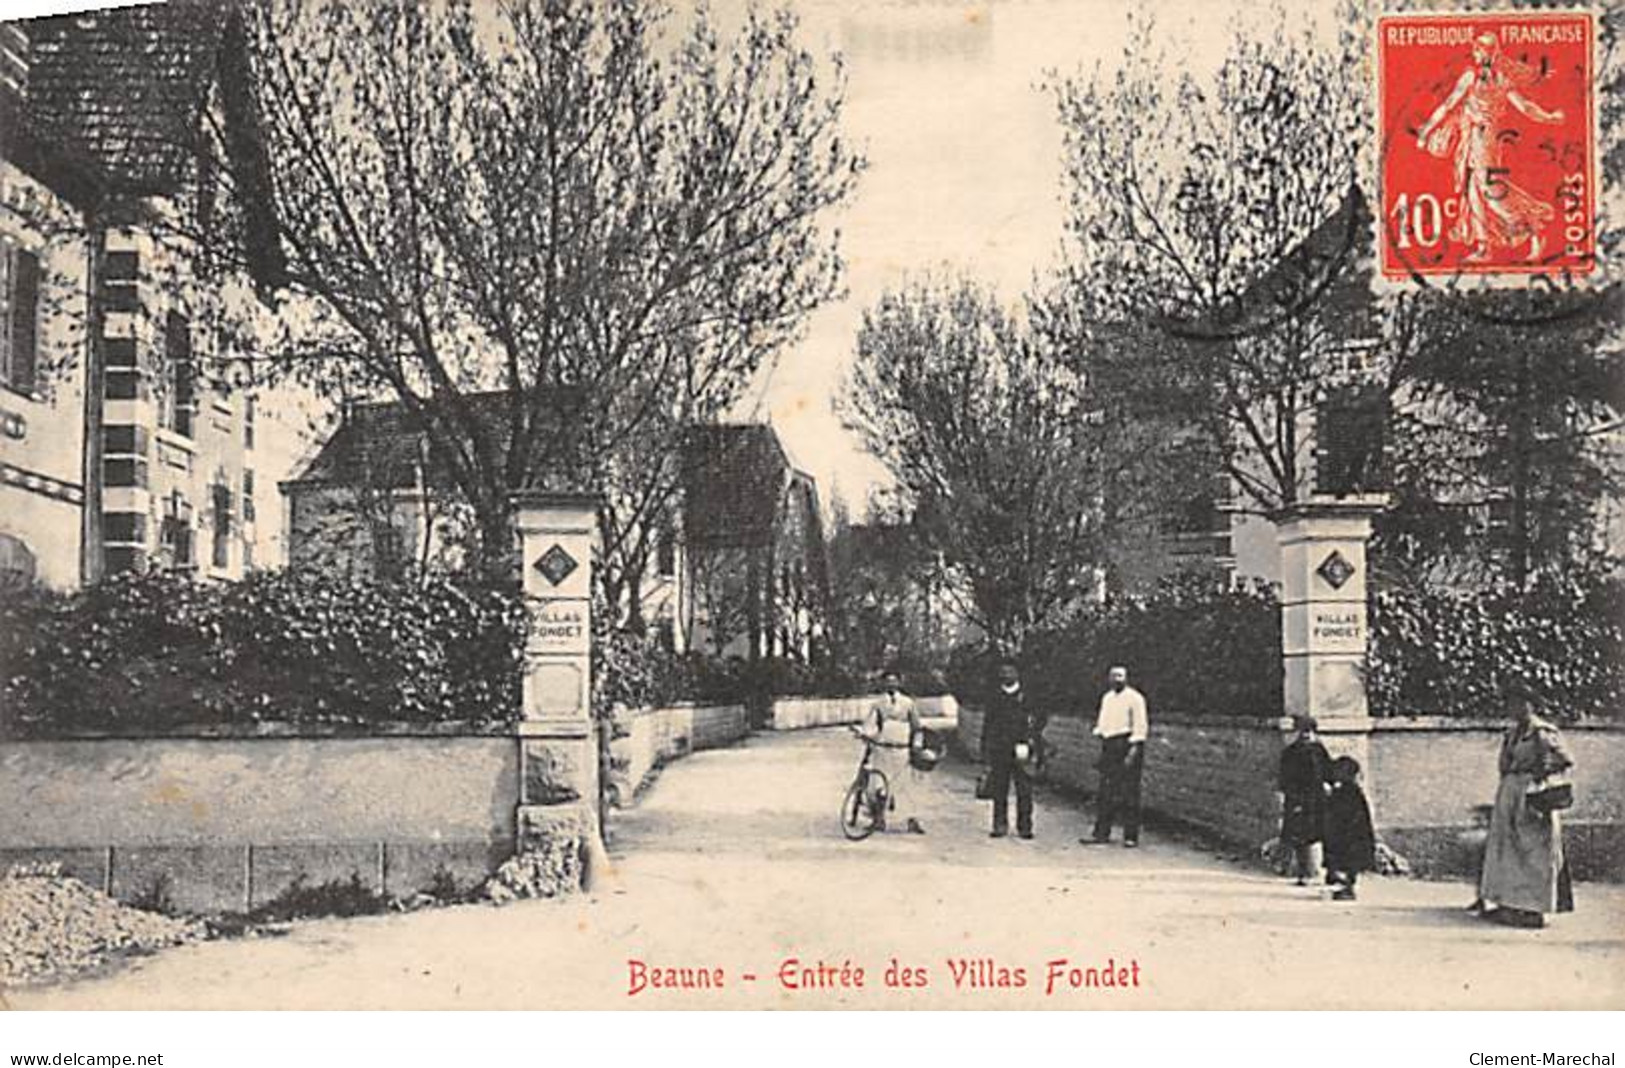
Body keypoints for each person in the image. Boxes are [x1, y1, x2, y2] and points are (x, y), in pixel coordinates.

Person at [1414, 32, 1566, 263]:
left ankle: (1534, 227)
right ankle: (1484, 247)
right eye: (1477, 50)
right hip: (1470, 136)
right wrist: (1427, 130)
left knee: (1491, 191)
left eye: (1481, 50)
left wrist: (1550, 117)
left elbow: (1524, 106)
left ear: (1488, 53)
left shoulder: (1498, 78)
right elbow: (1448, 105)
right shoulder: (1474, 77)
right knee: (1472, 191)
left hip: (1485, 138)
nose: (1478, 55)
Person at [1472, 691, 1575, 928]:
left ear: (1532, 705)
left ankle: (1534, 909)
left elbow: (1566, 760)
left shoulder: (1542, 733)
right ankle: (1509, 904)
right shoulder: (1512, 733)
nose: (1516, 707)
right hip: (1510, 792)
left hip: (1531, 794)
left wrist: (1543, 772)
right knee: (1507, 849)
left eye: (1521, 703)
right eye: (1513, 702)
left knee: (1533, 852)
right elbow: (1505, 764)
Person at [1083, 665, 1148, 848]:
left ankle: (1131, 836)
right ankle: (1101, 833)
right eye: (1113, 676)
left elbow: (1140, 726)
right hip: (1110, 745)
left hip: (1127, 744)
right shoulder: (1107, 698)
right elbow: (1103, 723)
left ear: (1126, 678)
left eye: (1120, 676)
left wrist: (1133, 751)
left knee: (1129, 792)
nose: (1116, 679)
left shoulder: (1135, 698)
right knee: (1106, 791)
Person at [981, 661, 1041, 839]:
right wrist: (985, 747)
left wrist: (1031, 740)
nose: (1006, 675)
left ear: (1017, 673)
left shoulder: (1028, 696)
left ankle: (1025, 826)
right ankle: (1000, 825)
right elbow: (988, 723)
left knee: (1024, 789)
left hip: (1022, 748)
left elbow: (1039, 718)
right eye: (1003, 672)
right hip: (1000, 748)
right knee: (999, 789)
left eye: (1010, 672)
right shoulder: (994, 696)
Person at [860, 671, 925, 835]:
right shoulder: (878, 704)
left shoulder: (908, 703)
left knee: (906, 786)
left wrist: (916, 746)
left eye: (894, 681)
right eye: (888, 682)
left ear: (899, 683)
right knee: (879, 785)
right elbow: (870, 725)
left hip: (902, 749)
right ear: (883, 684)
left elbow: (917, 728)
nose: (891, 685)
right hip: (882, 749)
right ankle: (879, 820)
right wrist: (868, 736)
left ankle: (912, 820)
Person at [1278, 715, 1332, 886]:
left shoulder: (1319, 750)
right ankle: (1302, 872)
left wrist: (1330, 785)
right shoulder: (1290, 753)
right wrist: (1285, 796)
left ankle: (1322, 871)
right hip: (1297, 798)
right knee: (1299, 836)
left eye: (1309, 731)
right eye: (1303, 731)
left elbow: (1328, 771)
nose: (1306, 735)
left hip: (1317, 798)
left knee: (1321, 833)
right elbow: (1284, 777)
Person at [1323, 756, 1376, 902]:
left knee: (1347, 862)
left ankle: (1348, 889)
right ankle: (1346, 887)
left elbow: (1339, 814)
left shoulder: (1346, 792)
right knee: (1346, 863)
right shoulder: (1352, 791)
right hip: (1350, 835)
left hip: (1347, 835)